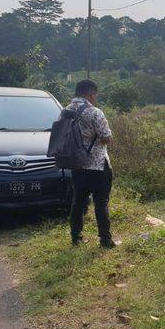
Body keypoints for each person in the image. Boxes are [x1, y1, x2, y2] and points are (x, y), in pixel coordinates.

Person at [67, 80, 119, 248]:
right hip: (97, 166)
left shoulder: (65, 111)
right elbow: (107, 138)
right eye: (95, 95)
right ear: (91, 94)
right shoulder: (94, 112)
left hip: (76, 164)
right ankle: (106, 240)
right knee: (101, 202)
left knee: (78, 201)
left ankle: (76, 238)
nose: (96, 98)